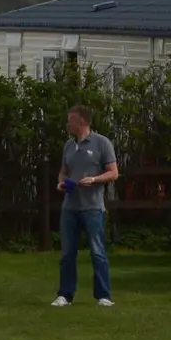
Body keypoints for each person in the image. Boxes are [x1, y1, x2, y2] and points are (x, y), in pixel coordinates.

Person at [52, 105, 118, 308]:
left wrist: (94, 179)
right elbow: (63, 171)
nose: (67, 124)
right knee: (67, 253)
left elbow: (113, 172)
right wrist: (61, 183)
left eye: (70, 120)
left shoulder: (101, 143)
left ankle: (103, 295)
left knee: (97, 251)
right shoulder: (69, 146)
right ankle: (65, 294)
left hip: (92, 206)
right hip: (70, 207)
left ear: (82, 122)